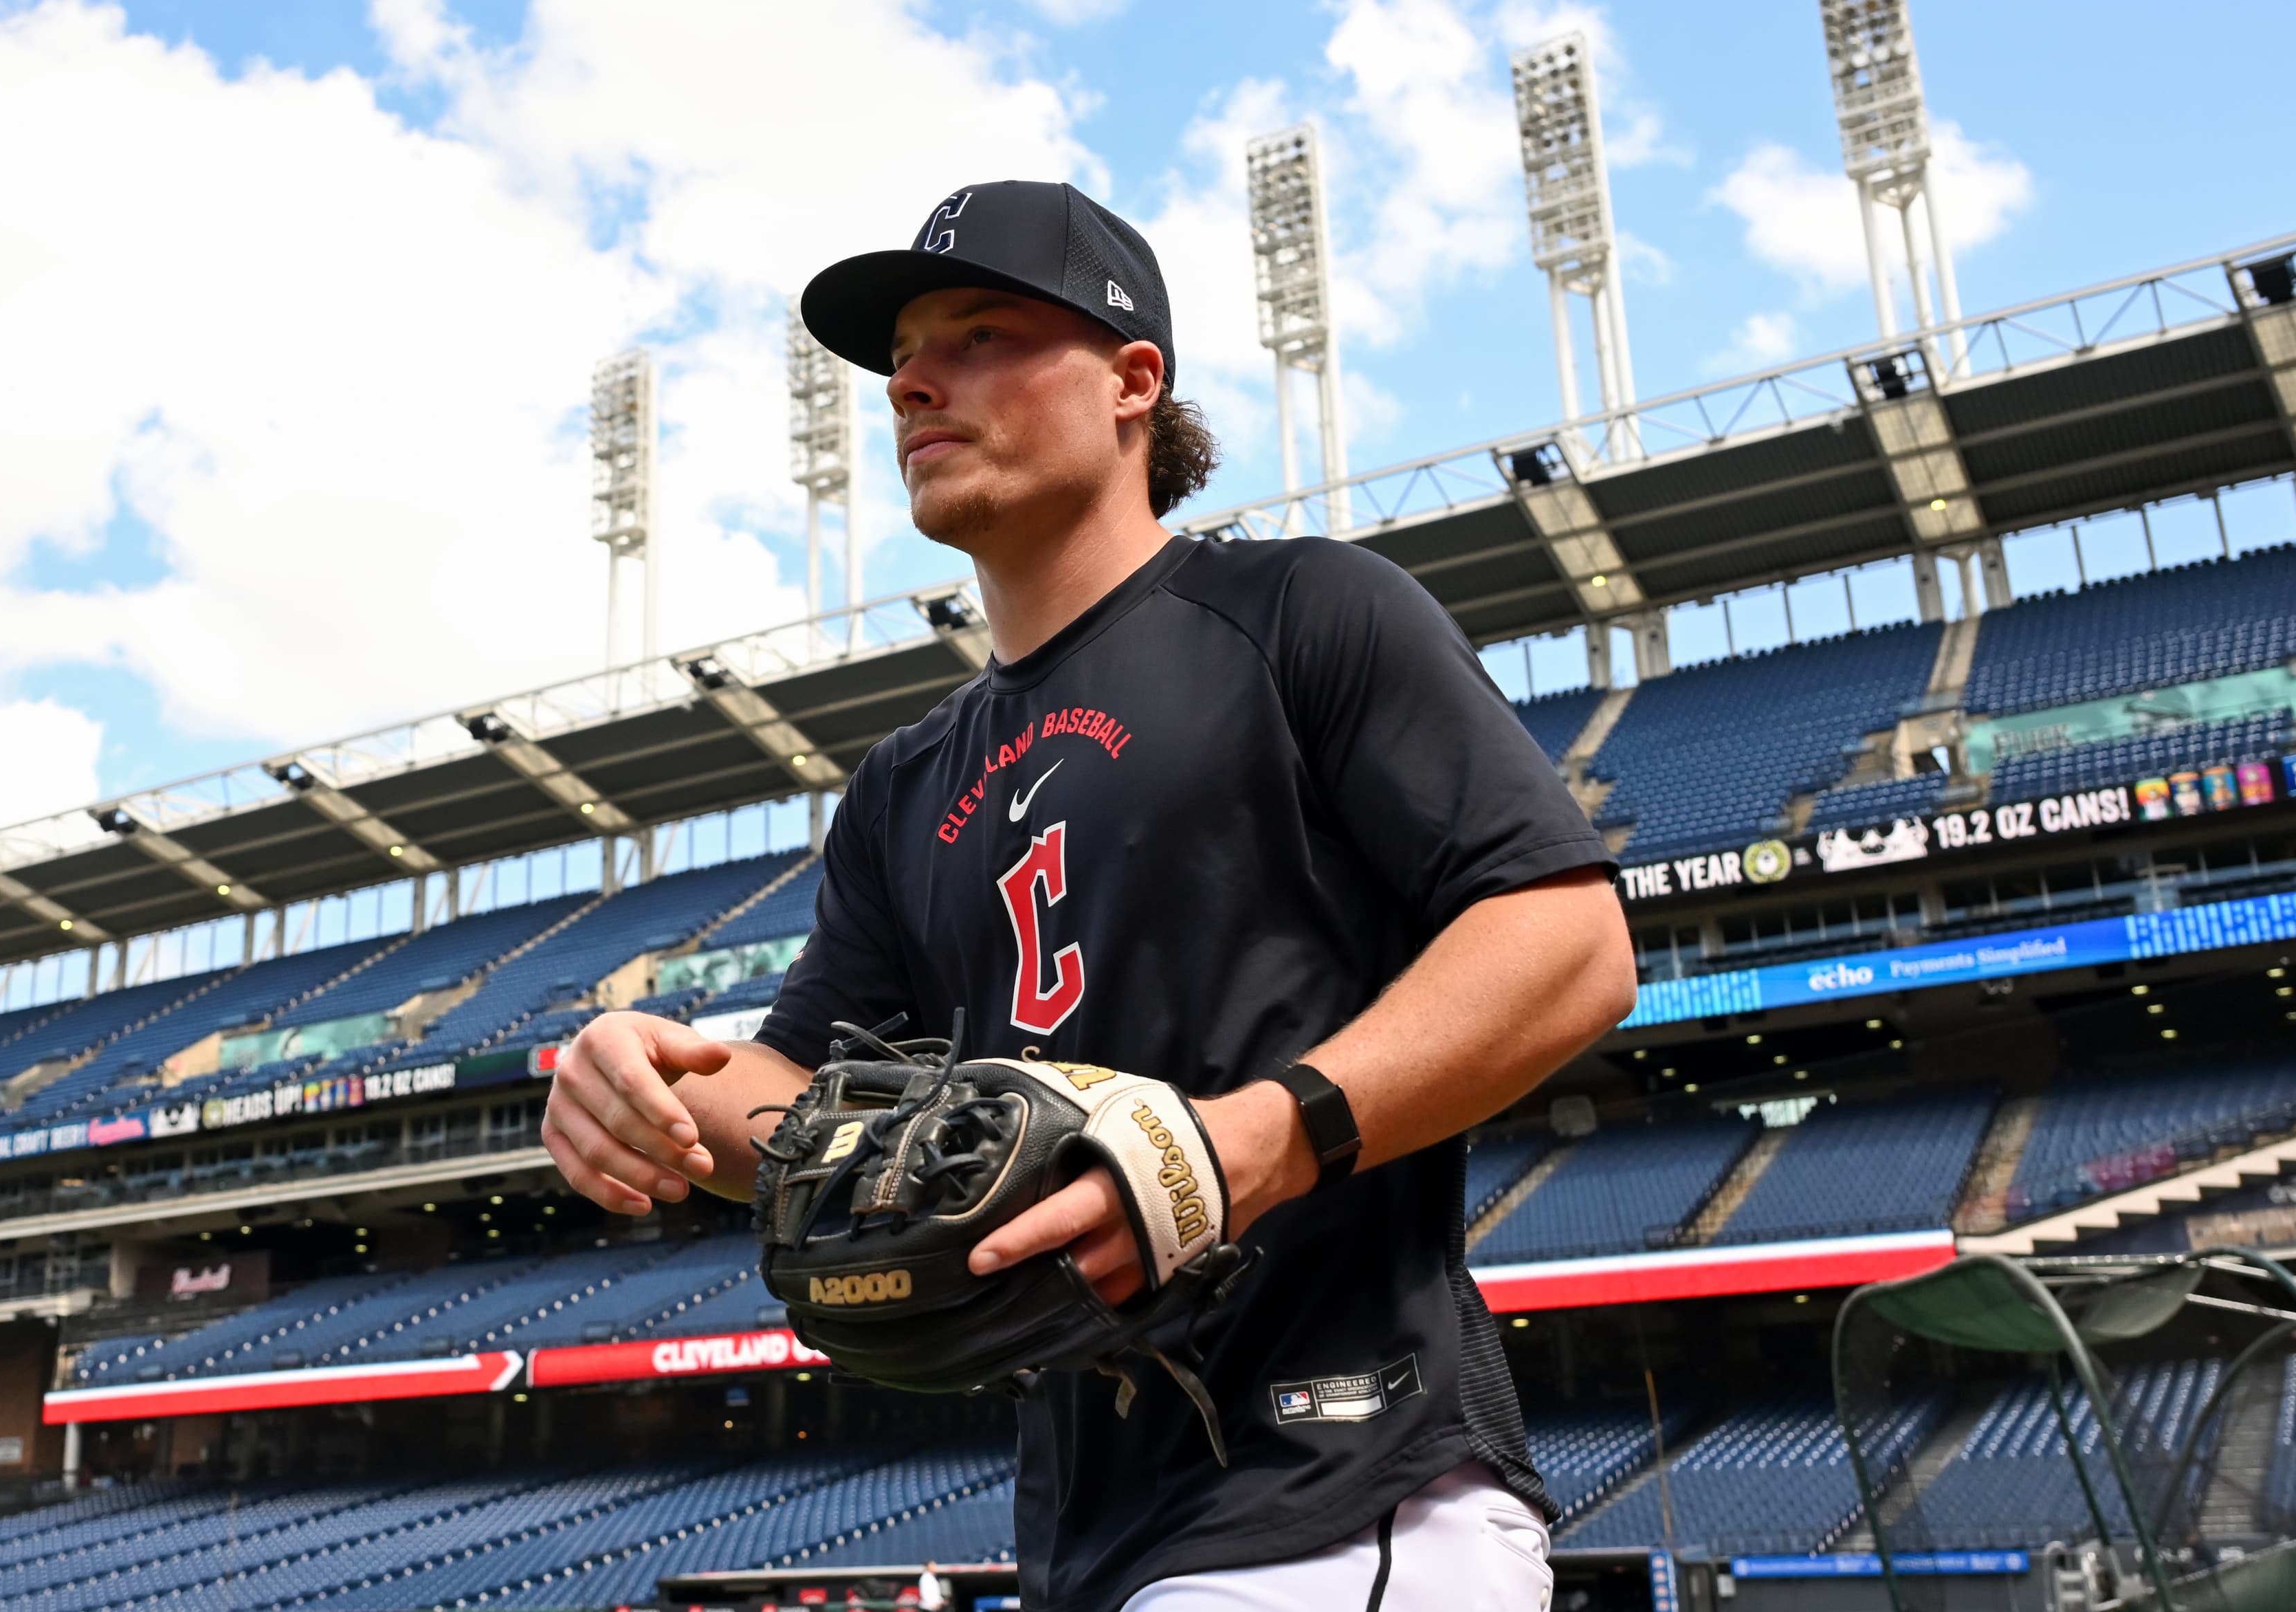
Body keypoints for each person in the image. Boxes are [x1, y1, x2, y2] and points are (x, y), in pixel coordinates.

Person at [541, 180, 1634, 1611]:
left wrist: (1257, 1136)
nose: (916, 381)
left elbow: (1569, 940)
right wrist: (658, 1083)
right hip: (1090, 1518)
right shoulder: (906, 780)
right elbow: (796, 1099)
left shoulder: (1306, 612)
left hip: (1342, 1478)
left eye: (982, 332)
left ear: (1133, 382)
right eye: (904, 360)